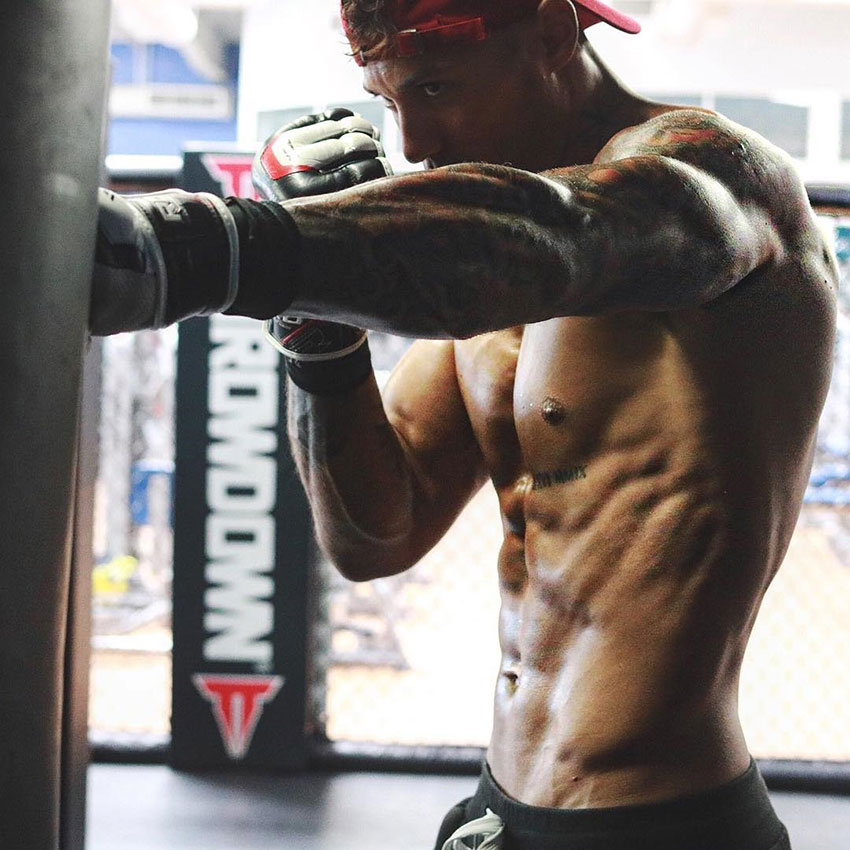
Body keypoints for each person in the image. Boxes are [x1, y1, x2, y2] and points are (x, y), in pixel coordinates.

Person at [89, 0, 839, 847]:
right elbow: (376, 535)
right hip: (500, 804)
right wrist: (322, 334)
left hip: (664, 819)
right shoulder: (481, 283)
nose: (411, 144)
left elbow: (568, 237)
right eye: (390, 100)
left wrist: (209, 251)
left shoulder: (718, 181)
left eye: (438, 86)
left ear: (555, 35)